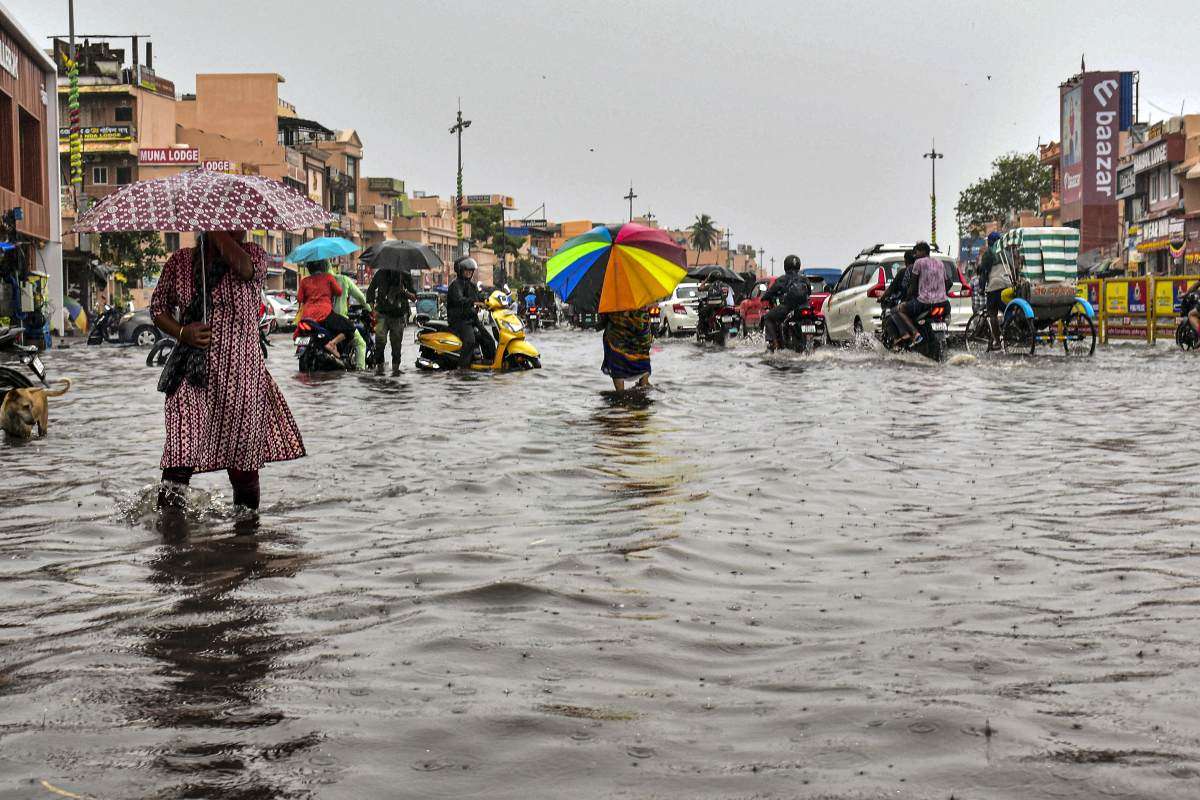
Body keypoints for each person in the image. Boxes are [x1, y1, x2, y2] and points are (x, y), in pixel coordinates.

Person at [150, 231, 305, 511]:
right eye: (232, 223)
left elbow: (244, 269)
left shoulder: (254, 255)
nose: (241, 228)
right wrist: (183, 332)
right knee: (178, 457)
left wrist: (217, 233)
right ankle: (170, 541)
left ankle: (246, 538)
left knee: (243, 467)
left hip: (242, 376)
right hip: (193, 374)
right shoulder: (181, 262)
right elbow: (158, 307)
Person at [297, 260, 357, 359]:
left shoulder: (304, 281)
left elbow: (300, 299)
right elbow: (339, 292)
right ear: (324, 267)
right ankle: (332, 344)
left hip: (307, 317)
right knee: (350, 327)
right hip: (324, 314)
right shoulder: (328, 278)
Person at [895, 242, 947, 346]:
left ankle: (915, 334)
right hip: (943, 303)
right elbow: (947, 282)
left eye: (917, 252)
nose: (915, 255)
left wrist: (907, 299)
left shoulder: (918, 263)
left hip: (925, 302)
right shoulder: (940, 263)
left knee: (900, 309)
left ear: (923, 251)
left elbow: (912, 286)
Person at [446, 257, 495, 367]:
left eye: (471, 270)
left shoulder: (472, 285)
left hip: (472, 319)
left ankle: (490, 364)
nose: (469, 272)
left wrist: (489, 301)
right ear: (460, 270)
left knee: (489, 340)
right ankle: (462, 368)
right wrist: (474, 302)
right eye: (466, 270)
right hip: (459, 320)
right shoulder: (455, 285)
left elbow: (480, 297)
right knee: (470, 341)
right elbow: (459, 299)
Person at [366, 268, 416, 375]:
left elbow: (414, 295)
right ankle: (380, 368)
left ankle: (395, 370)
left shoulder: (405, 274)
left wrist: (404, 292)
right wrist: (372, 309)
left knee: (396, 344)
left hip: (398, 315)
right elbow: (370, 291)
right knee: (380, 341)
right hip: (382, 314)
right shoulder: (380, 273)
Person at [761, 254, 811, 351]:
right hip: (804, 307)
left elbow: (769, 293)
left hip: (788, 307)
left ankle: (774, 344)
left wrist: (764, 297)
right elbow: (809, 292)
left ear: (785, 266)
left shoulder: (782, 279)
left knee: (768, 317)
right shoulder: (804, 279)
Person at [601, 305, 653, 391]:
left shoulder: (612, 301)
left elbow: (603, 320)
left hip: (617, 346)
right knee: (643, 366)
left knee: (618, 370)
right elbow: (645, 334)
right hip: (638, 347)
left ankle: (620, 395)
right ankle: (643, 387)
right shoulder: (639, 301)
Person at [330, 264, 370, 369]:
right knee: (361, 344)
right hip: (340, 319)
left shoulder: (317, 281)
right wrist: (370, 309)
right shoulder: (343, 280)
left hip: (321, 320)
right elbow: (361, 297)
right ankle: (360, 369)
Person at [977, 231, 1010, 350]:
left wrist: (981, 288)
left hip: (995, 287)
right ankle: (1009, 331)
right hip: (1009, 286)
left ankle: (997, 341)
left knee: (992, 314)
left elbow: (984, 274)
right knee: (1008, 311)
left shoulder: (989, 253)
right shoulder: (1007, 252)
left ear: (990, 242)